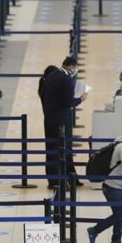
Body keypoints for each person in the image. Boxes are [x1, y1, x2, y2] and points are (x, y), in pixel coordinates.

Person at [40, 57, 88, 189]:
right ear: (71, 67)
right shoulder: (66, 80)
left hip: (49, 119)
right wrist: (80, 99)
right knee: (64, 149)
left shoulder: (50, 76)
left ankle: (53, 180)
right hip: (62, 121)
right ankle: (63, 180)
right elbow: (68, 102)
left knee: (51, 149)